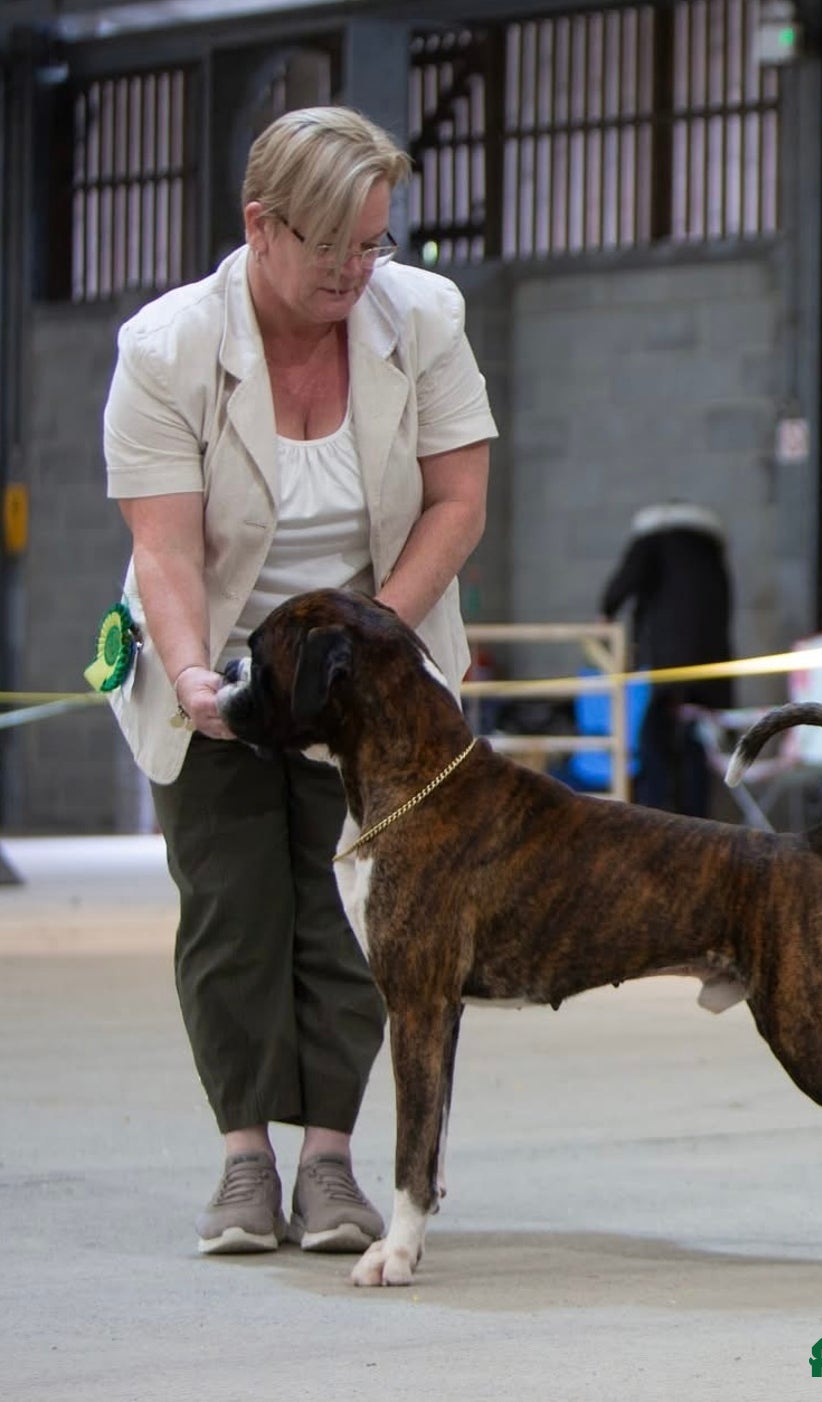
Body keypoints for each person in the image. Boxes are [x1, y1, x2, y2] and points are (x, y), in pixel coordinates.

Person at [102, 106, 498, 1256]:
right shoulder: (167, 348)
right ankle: (244, 1159)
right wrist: (191, 673)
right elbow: (166, 547)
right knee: (234, 908)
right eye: (330, 245)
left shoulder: (424, 318)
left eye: (373, 242)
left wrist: (372, 645)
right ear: (260, 226)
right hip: (218, 649)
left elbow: (458, 502)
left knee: (357, 919)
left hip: (373, 658)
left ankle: (330, 1162)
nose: (354, 270)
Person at [600, 501, 733, 817]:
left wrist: (606, 612)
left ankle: (655, 820)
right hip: (711, 675)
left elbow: (627, 579)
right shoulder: (711, 555)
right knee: (695, 746)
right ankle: (698, 823)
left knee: (654, 743)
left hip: (672, 669)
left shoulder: (656, 540)